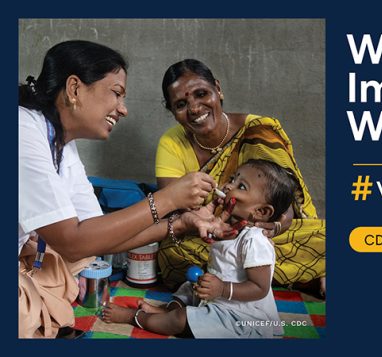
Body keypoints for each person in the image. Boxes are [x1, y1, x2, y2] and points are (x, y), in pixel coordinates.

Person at [18, 40, 234, 338]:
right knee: (56, 271)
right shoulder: (21, 129)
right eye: (117, 94)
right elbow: (73, 241)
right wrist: (168, 199)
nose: (123, 110)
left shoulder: (62, 143)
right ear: (74, 89)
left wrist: (181, 222)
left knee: (62, 271)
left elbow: (99, 235)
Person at [155, 59, 326, 296]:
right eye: (181, 104)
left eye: (201, 94)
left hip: (268, 231)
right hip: (210, 235)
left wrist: (275, 225)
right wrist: (211, 225)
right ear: (173, 112)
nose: (194, 108)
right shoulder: (171, 143)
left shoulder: (259, 130)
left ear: (218, 89)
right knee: (170, 250)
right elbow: (172, 212)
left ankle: (242, 276)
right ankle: (298, 277)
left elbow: (285, 200)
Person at [103, 159, 296, 338]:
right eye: (232, 179)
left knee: (182, 320)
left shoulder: (255, 241)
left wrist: (221, 289)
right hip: (218, 298)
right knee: (188, 289)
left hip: (242, 317)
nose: (228, 186)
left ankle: (135, 317)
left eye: (241, 186)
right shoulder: (227, 227)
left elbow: (259, 288)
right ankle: (167, 312)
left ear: (261, 212)